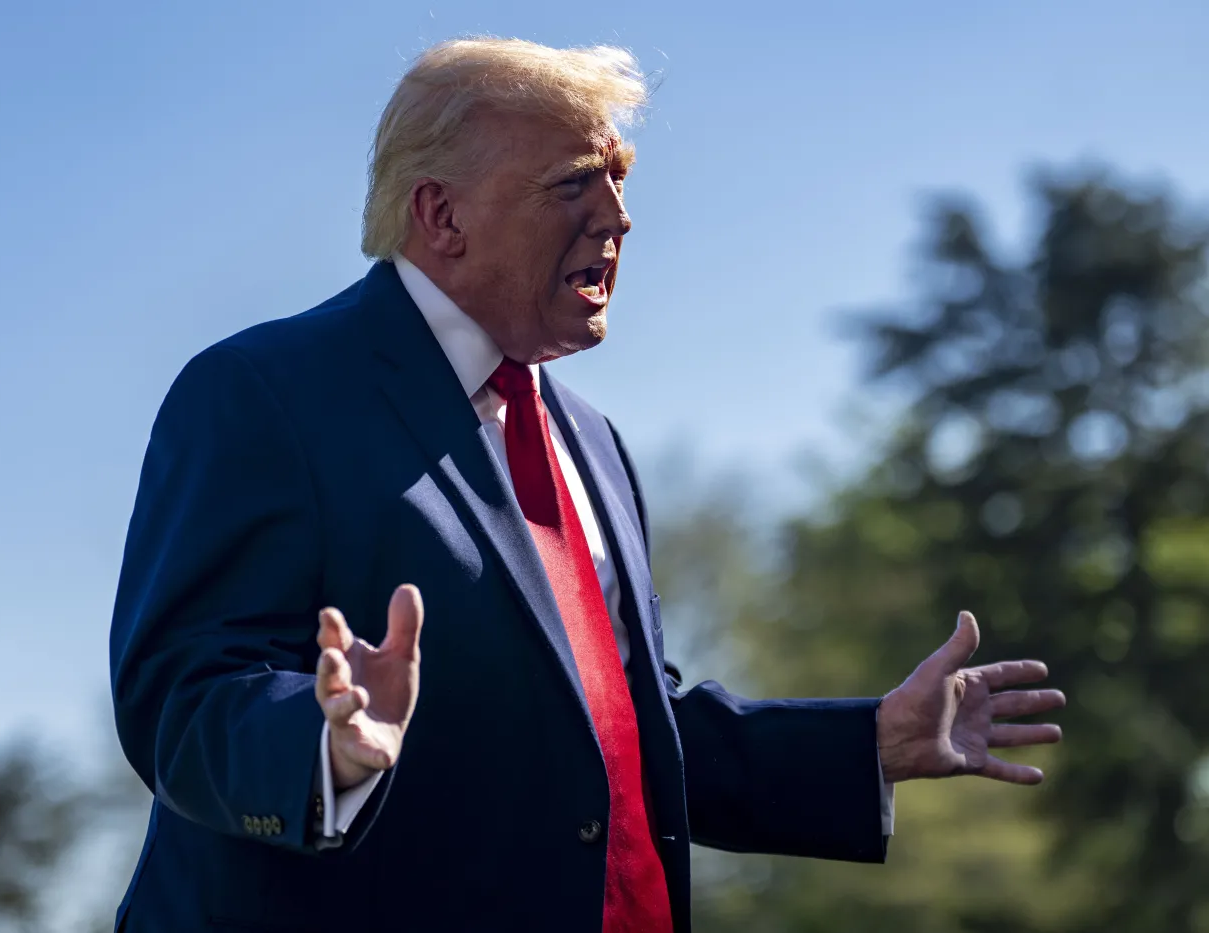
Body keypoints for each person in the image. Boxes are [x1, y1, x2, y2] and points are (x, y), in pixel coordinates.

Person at [108, 38, 1065, 933]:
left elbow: (618, 734)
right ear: (442, 215)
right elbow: (182, 691)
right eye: (574, 184)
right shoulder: (264, 391)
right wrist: (323, 744)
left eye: (619, 180)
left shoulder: (594, 443)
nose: (618, 216)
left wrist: (867, 746)